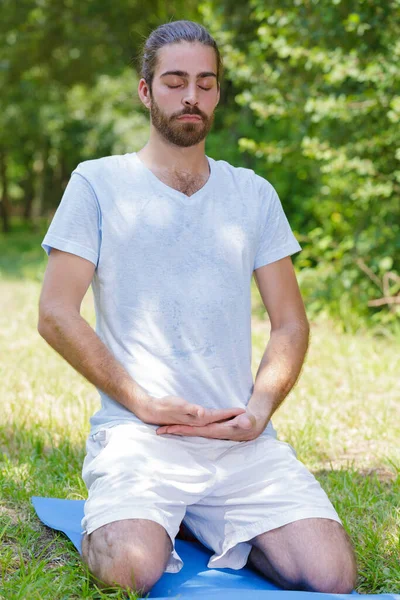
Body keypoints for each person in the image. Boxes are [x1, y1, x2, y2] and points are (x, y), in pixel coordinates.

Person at [38, 19, 357, 597]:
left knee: (330, 577)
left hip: (238, 440)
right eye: (175, 81)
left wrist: (259, 410)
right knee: (132, 569)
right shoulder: (98, 184)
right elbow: (56, 313)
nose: (192, 96)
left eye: (206, 84)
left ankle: (201, 518)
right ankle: (125, 516)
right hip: (140, 436)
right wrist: (140, 401)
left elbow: (290, 322)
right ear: (145, 90)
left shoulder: (253, 193)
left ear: (217, 93)